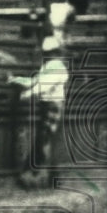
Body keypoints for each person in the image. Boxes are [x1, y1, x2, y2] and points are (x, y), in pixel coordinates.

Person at [9, 35, 69, 185]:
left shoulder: (57, 67)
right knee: (46, 139)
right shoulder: (51, 66)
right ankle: (48, 177)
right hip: (49, 106)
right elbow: (37, 81)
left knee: (45, 140)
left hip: (53, 106)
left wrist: (27, 93)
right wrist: (18, 80)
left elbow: (43, 85)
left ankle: (41, 176)